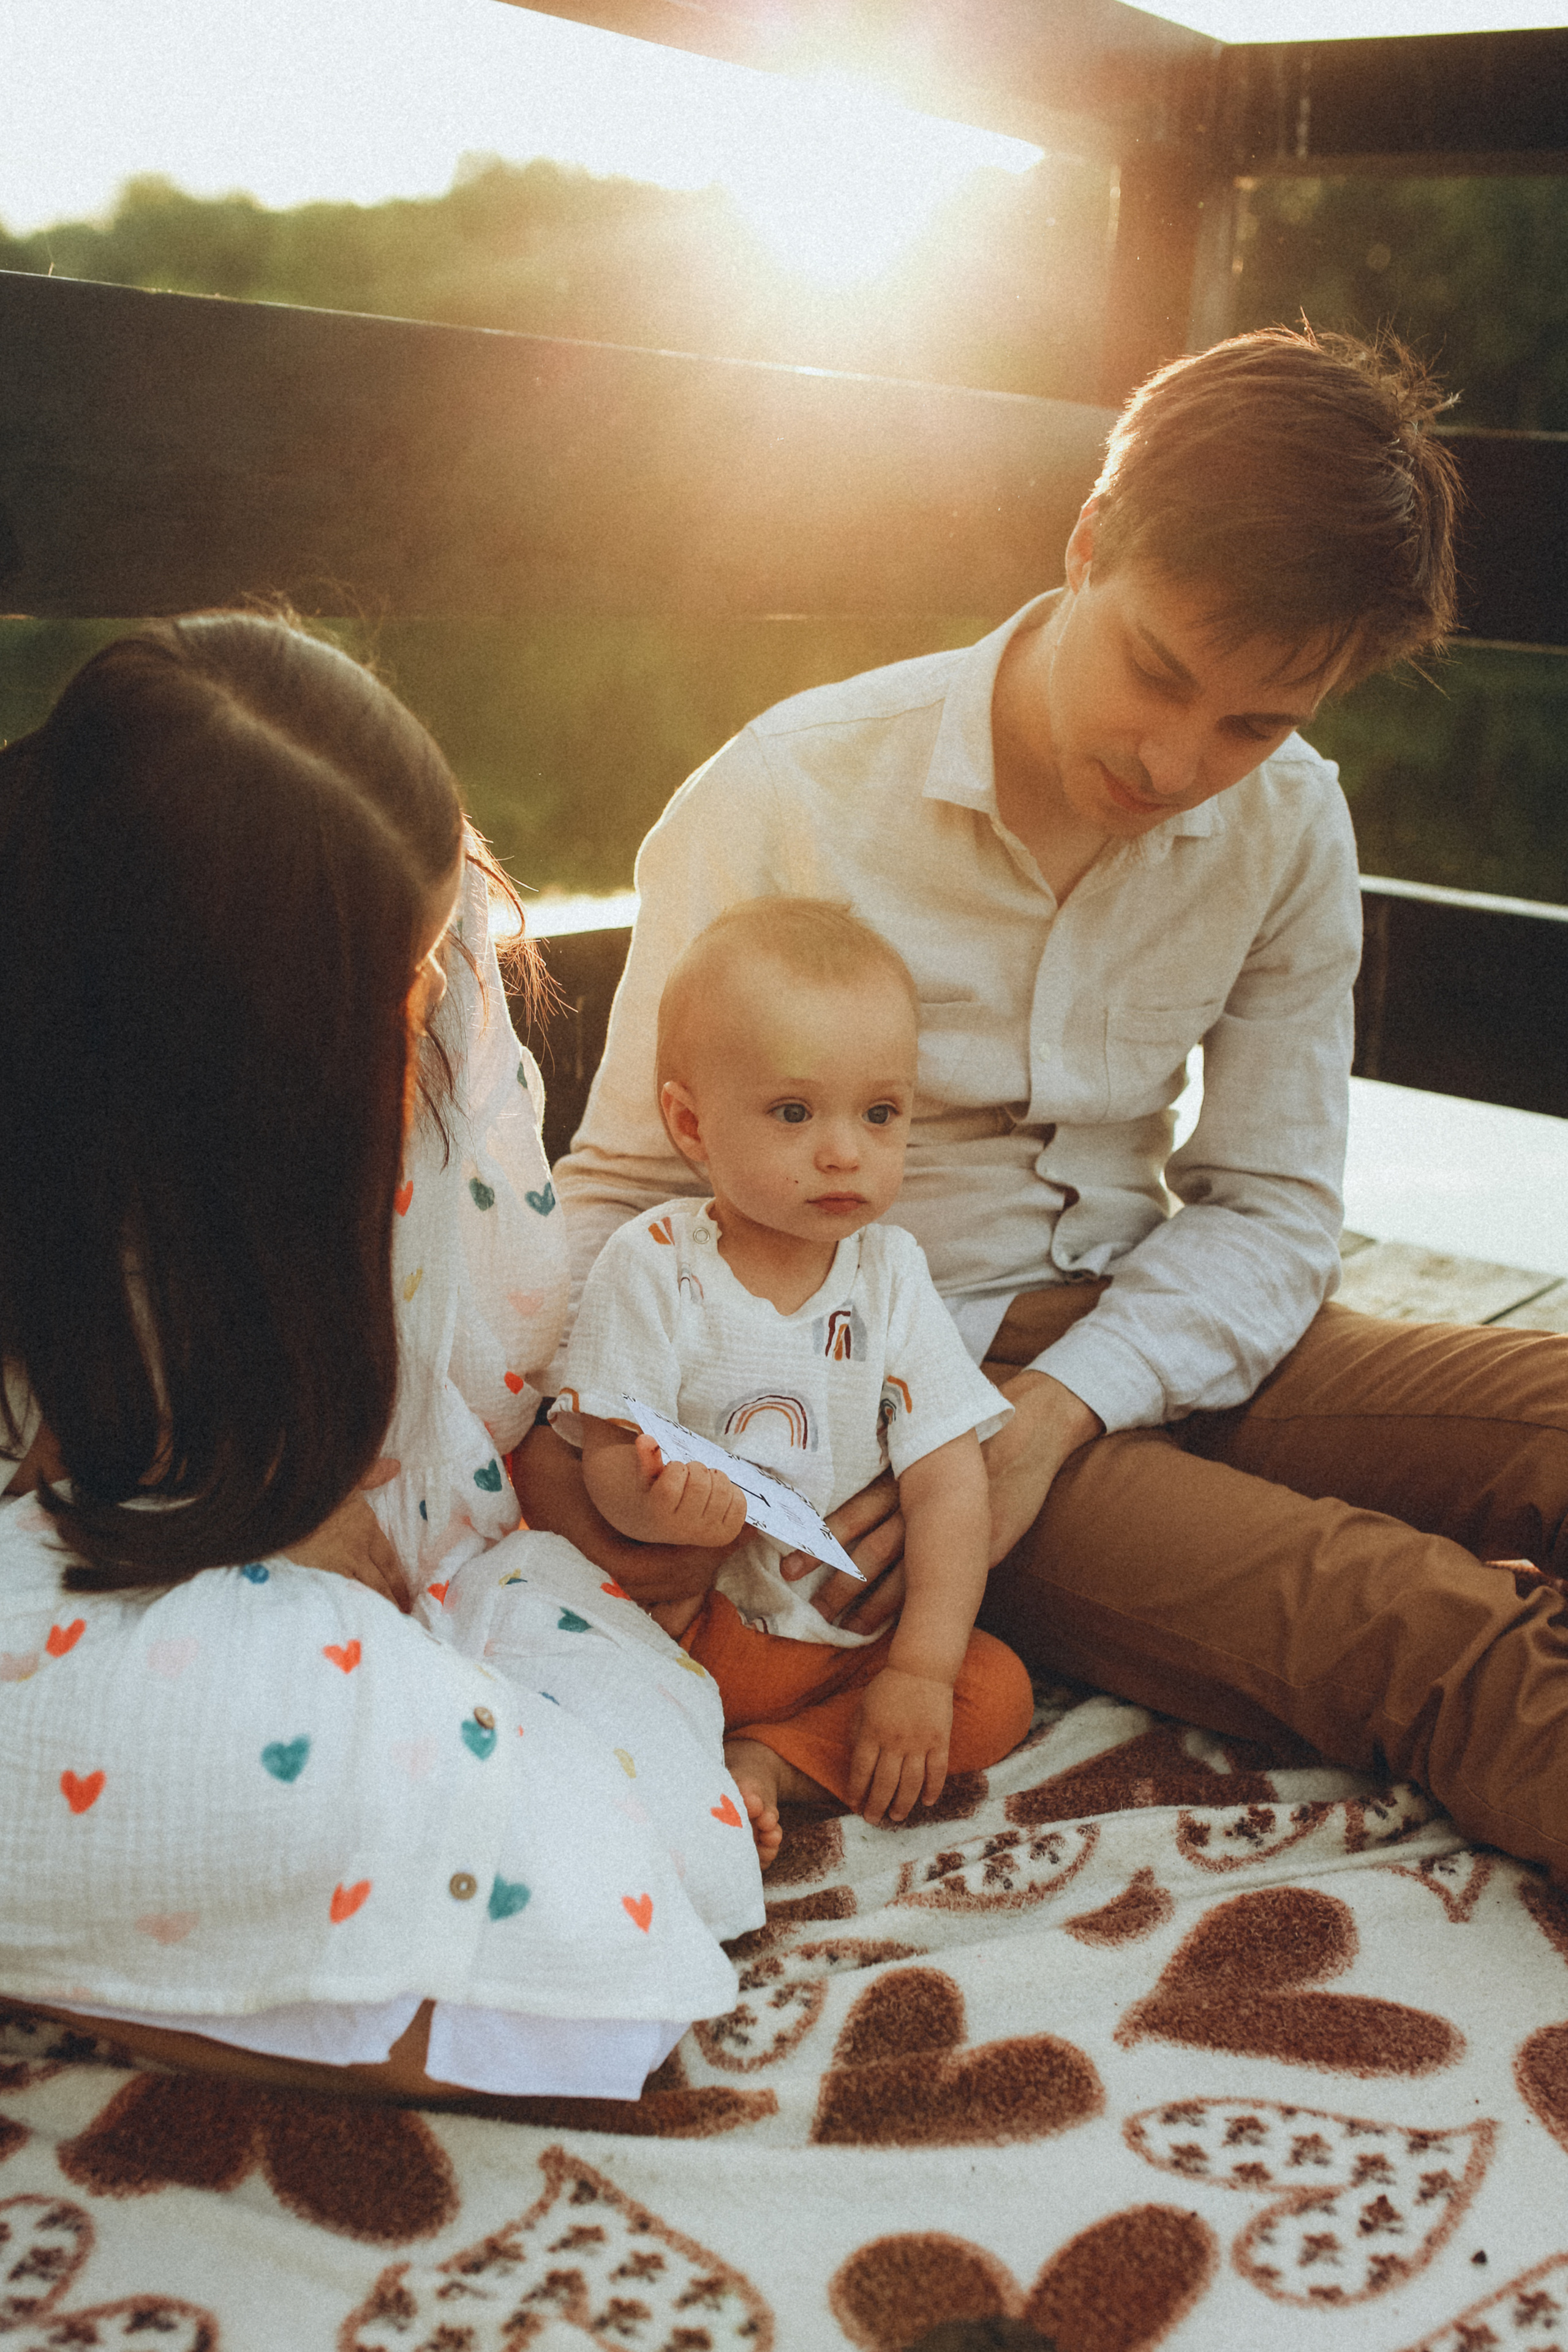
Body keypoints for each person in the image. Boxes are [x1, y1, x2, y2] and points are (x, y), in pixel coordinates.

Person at [519, 324, 1568, 1884]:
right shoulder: (788, 790)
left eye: (1256, 722)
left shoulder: (1290, 822)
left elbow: (1273, 1208)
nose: (1177, 759)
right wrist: (535, 1444)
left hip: (1156, 1329)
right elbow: (618, 1183)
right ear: (1089, 543)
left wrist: (1067, 1406)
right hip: (908, 1400)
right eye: (1157, 671)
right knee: (1419, 1629)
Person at [0, 613, 762, 2108]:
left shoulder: (424, 981)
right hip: (65, 1599)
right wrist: (229, 1533)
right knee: (519, 1941)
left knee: (658, 1836)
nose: (425, 1007)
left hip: (315, 1564)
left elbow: (476, 1353)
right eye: (378, 995)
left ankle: (270, 1955)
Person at [551, 899, 1035, 1864]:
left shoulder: (891, 1275)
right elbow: (605, 1449)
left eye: (880, 1113)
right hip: (684, 1626)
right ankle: (687, 1754)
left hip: (834, 1645)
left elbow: (948, 1480)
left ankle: (771, 1763)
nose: (844, 1150)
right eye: (794, 1113)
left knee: (993, 1693)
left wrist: (920, 1670)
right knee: (557, 1652)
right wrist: (659, 1510)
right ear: (692, 1124)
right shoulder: (653, 1262)